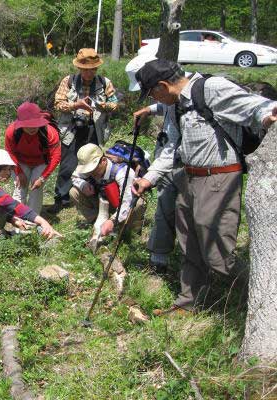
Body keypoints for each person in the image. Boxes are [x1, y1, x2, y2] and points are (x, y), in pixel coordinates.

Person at [132, 59, 277, 315]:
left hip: (219, 179)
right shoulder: (176, 106)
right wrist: (149, 178)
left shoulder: (210, 88)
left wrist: (267, 116)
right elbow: (173, 146)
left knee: (218, 249)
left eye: (152, 92)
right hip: (188, 178)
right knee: (190, 245)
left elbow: (254, 106)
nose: (153, 98)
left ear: (163, 86)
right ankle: (189, 302)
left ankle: (262, 302)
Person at [126, 55, 180, 273]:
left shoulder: (181, 100)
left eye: (151, 92)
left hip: (176, 162)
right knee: (165, 206)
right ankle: (160, 254)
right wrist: (149, 109)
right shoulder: (170, 98)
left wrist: (149, 178)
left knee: (168, 206)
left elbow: (172, 148)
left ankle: (162, 259)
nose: (151, 97)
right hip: (169, 159)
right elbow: (164, 106)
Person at [51, 48, 118, 213]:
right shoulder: (69, 81)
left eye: (93, 69)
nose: (89, 73)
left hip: (94, 128)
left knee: (92, 163)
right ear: (79, 68)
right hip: (72, 128)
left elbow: (114, 103)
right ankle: (62, 197)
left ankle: (89, 195)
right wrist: (75, 105)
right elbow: (58, 103)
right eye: (86, 69)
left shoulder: (104, 82)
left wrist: (101, 105)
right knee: (68, 164)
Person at [70, 143, 145, 238]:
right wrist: (83, 185)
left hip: (121, 204)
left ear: (104, 161)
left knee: (137, 203)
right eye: (88, 170)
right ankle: (96, 223)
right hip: (102, 199)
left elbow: (127, 201)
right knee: (74, 192)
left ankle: (130, 230)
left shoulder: (123, 173)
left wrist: (113, 220)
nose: (90, 173)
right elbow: (74, 176)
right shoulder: (89, 169)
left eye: (93, 169)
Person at [5, 102, 61, 214]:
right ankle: (17, 218)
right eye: (28, 125)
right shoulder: (12, 131)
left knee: (36, 189)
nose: (33, 128)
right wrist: (18, 172)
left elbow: (56, 156)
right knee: (20, 188)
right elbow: (10, 152)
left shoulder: (50, 132)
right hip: (20, 162)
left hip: (41, 162)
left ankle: (32, 219)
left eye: (36, 124)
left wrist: (42, 178)